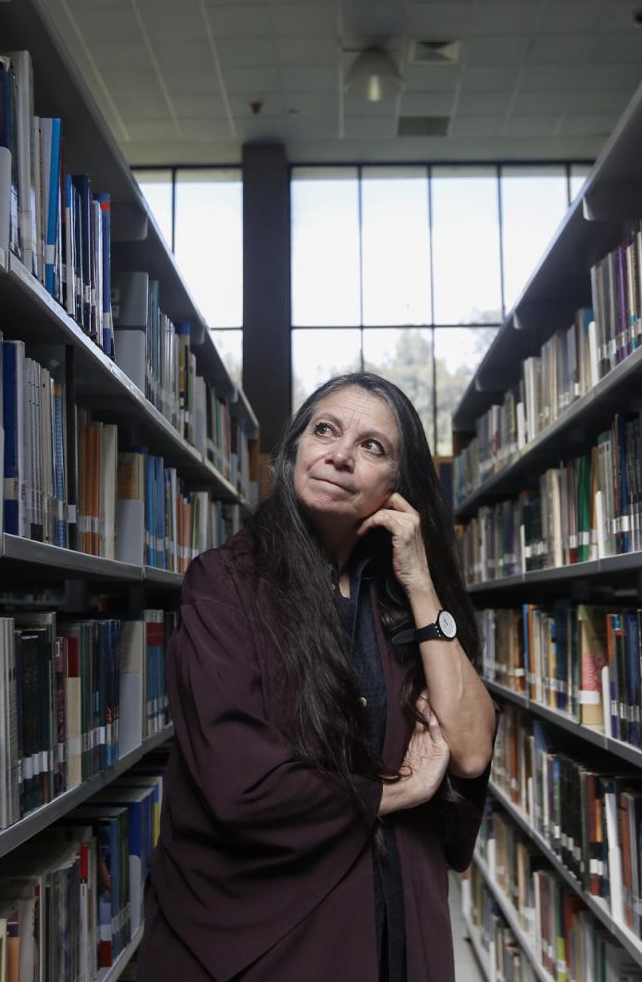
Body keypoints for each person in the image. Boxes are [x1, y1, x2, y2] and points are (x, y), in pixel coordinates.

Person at [138, 372, 498, 982]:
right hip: (273, 934)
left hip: (394, 910)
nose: (339, 454)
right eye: (324, 430)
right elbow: (238, 782)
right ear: (293, 450)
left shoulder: (399, 596)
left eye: (372, 447)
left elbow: (467, 751)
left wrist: (419, 582)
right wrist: (397, 792)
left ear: (398, 488)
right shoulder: (224, 585)